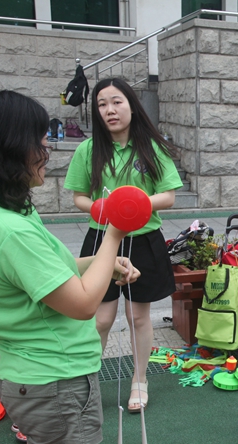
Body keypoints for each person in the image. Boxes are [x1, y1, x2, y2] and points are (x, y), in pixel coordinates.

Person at [0, 89, 139, 444]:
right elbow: (82, 303)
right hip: (56, 379)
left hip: (29, 375)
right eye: (39, 141)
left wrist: (100, 262)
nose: (46, 151)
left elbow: (44, 272)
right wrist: (113, 233)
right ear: (8, 148)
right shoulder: (10, 228)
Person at [65, 77, 183, 413]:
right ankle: (87, 381)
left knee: (138, 317)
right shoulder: (88, 150)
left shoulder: (152, 147)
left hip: (143, 239)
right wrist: (99, 208)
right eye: (102, 104)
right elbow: (78, 197)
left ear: (131, 105)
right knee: (100, 318)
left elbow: (170, 196)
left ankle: (139, 381)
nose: (109, 110)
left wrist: (135, 204)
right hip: (101, 240)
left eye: (116, 102)